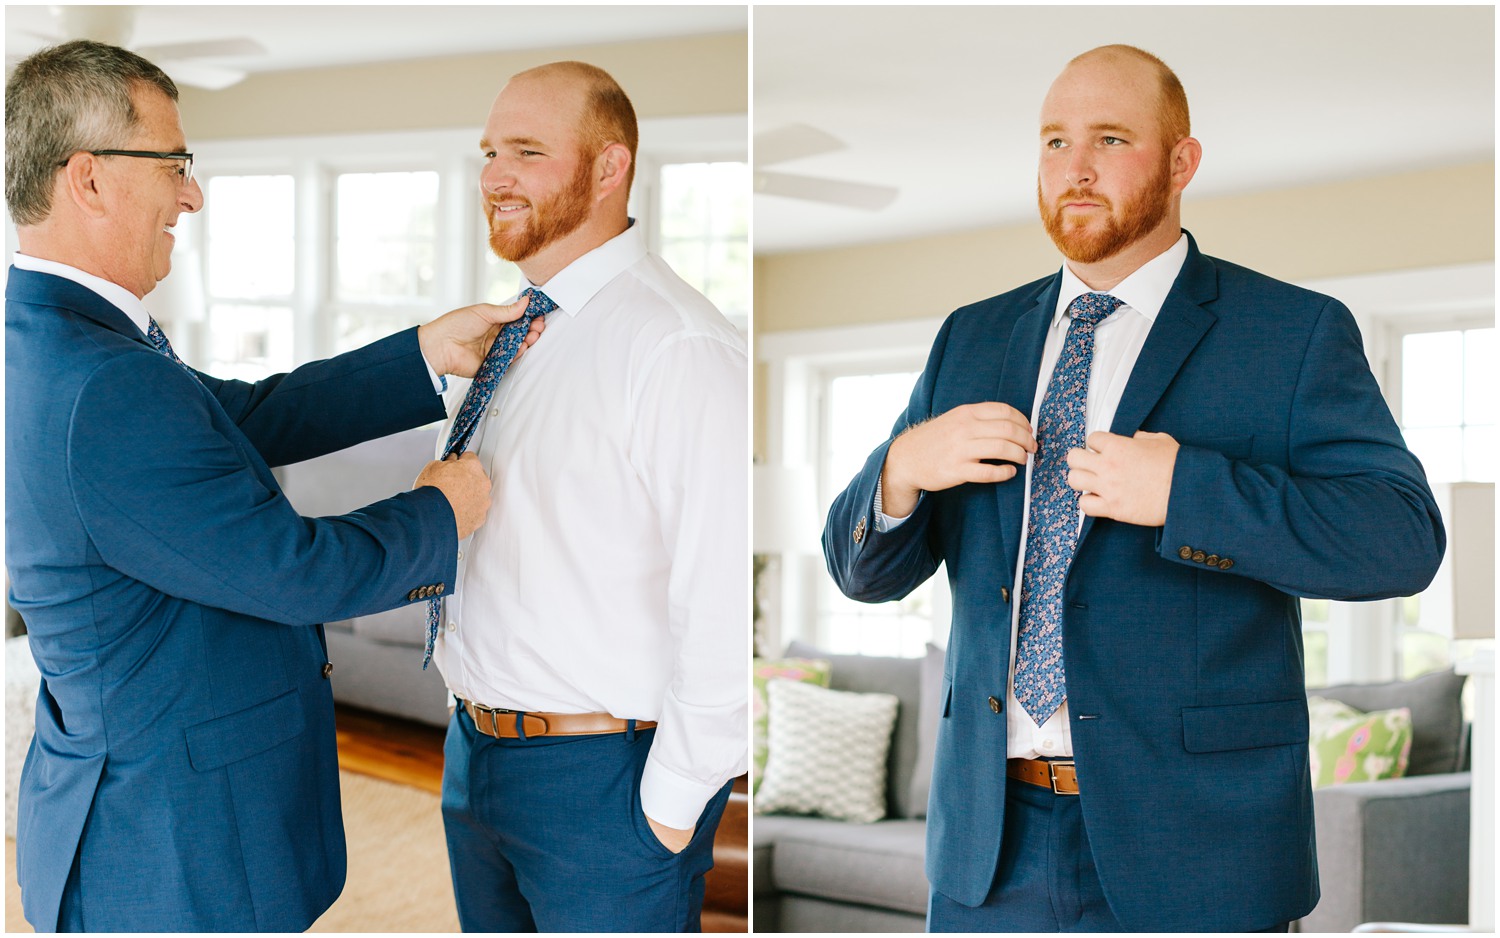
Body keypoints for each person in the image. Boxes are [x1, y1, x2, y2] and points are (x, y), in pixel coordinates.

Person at [823, 44, 1445, 933]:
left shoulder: (1292, 333)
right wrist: (901, 469)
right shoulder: (970, 338)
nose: (1074, 168)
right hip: (986, 853)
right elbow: (860, 573)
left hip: (1201, 845)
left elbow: (1402, 537)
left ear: (1182, 162)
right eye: (1052, 142)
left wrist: (1188, 490)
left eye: (1109, 139)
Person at [4, 40, 538, 932]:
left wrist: (419, 354)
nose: (191, 194)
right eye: (173, 164)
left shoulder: (62, 339)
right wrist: (442, 514)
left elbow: (241, 418)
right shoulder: (103, 384)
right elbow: (295, 572)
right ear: (89, 179)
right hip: (169, 846)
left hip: (135, 806)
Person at [428, 61, 747, 932]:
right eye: (489, 152)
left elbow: (719, 602)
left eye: (527, 152)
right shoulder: (510, 332)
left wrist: (666, 815)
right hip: (475, 761)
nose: (493, 176)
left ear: (611, 169)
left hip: (606, 786)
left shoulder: (678, 347)